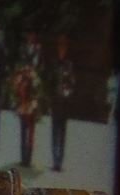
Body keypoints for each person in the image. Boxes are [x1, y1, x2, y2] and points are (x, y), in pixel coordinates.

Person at [12, 33, 44, 168]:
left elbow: (41, 67)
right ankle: (22, 155)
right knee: (23, 125)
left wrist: (34, 73)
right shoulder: (23, 50)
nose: (30, 39)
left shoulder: (38, 50)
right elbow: (20, 64)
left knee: (31, 126)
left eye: (32, 37)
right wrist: (23, 72)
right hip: (24, 85)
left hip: (33, 86)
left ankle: (28, 157)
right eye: (29, 37)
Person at [49, 35, 76, 172]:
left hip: (64, 104)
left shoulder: (69, 65)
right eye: (60, 48)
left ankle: (60, 161)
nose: (61, 51)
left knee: (62, 134)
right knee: (54, 133)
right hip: (55, 103)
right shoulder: (54, 64)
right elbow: (50, 83)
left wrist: (68, 92)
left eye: (63, 48)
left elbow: (72, 83)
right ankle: (55, 160)